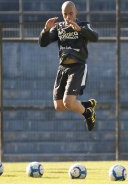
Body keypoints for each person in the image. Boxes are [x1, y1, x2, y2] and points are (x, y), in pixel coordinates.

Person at [38, 1, 99, 131]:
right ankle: (86, 106)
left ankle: (88, 114)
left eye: (70, 13)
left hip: (77, 68)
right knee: (59, 106)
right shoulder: (59, 27)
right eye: (65, 14)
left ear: (76, 12)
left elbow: (95, 37)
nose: (68, 17)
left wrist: (80, 30)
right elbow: (43, 43)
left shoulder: (83, 25)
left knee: (68, 102)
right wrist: (46, 30)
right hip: (63, 68)